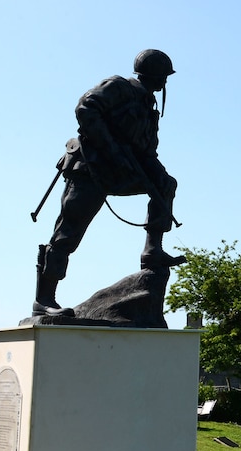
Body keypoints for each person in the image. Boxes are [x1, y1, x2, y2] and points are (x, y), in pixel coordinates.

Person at [33, 49, 185, 317]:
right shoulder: (119, 87)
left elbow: (147, 152)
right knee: (68, 233)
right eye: (163, 76)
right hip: (89, 169)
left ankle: (152, 251)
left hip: (119, 171)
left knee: (164, 185)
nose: (165, 81)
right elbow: (85, 108)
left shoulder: (148, 107)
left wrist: (158, 176)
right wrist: (112, 149)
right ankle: (44, 299)